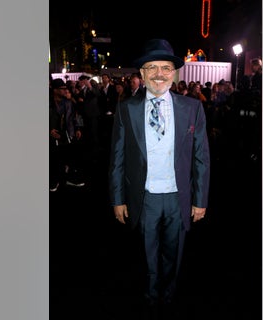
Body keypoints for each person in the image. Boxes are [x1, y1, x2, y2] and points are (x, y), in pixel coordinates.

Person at [108, 39, 211, 319]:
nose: (158, 74)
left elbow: (201, 158)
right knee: (146, 257)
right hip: (145, 197)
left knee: (173, 256)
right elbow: (117, 157)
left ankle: (169, 298)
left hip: (179, 198)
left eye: (165, 68)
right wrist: (117, 199)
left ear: (174, 73)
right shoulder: (126, 108)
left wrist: (200, 200)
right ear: (141, 73)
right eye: (151, 67)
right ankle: (150, 299)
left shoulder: (192, 108)